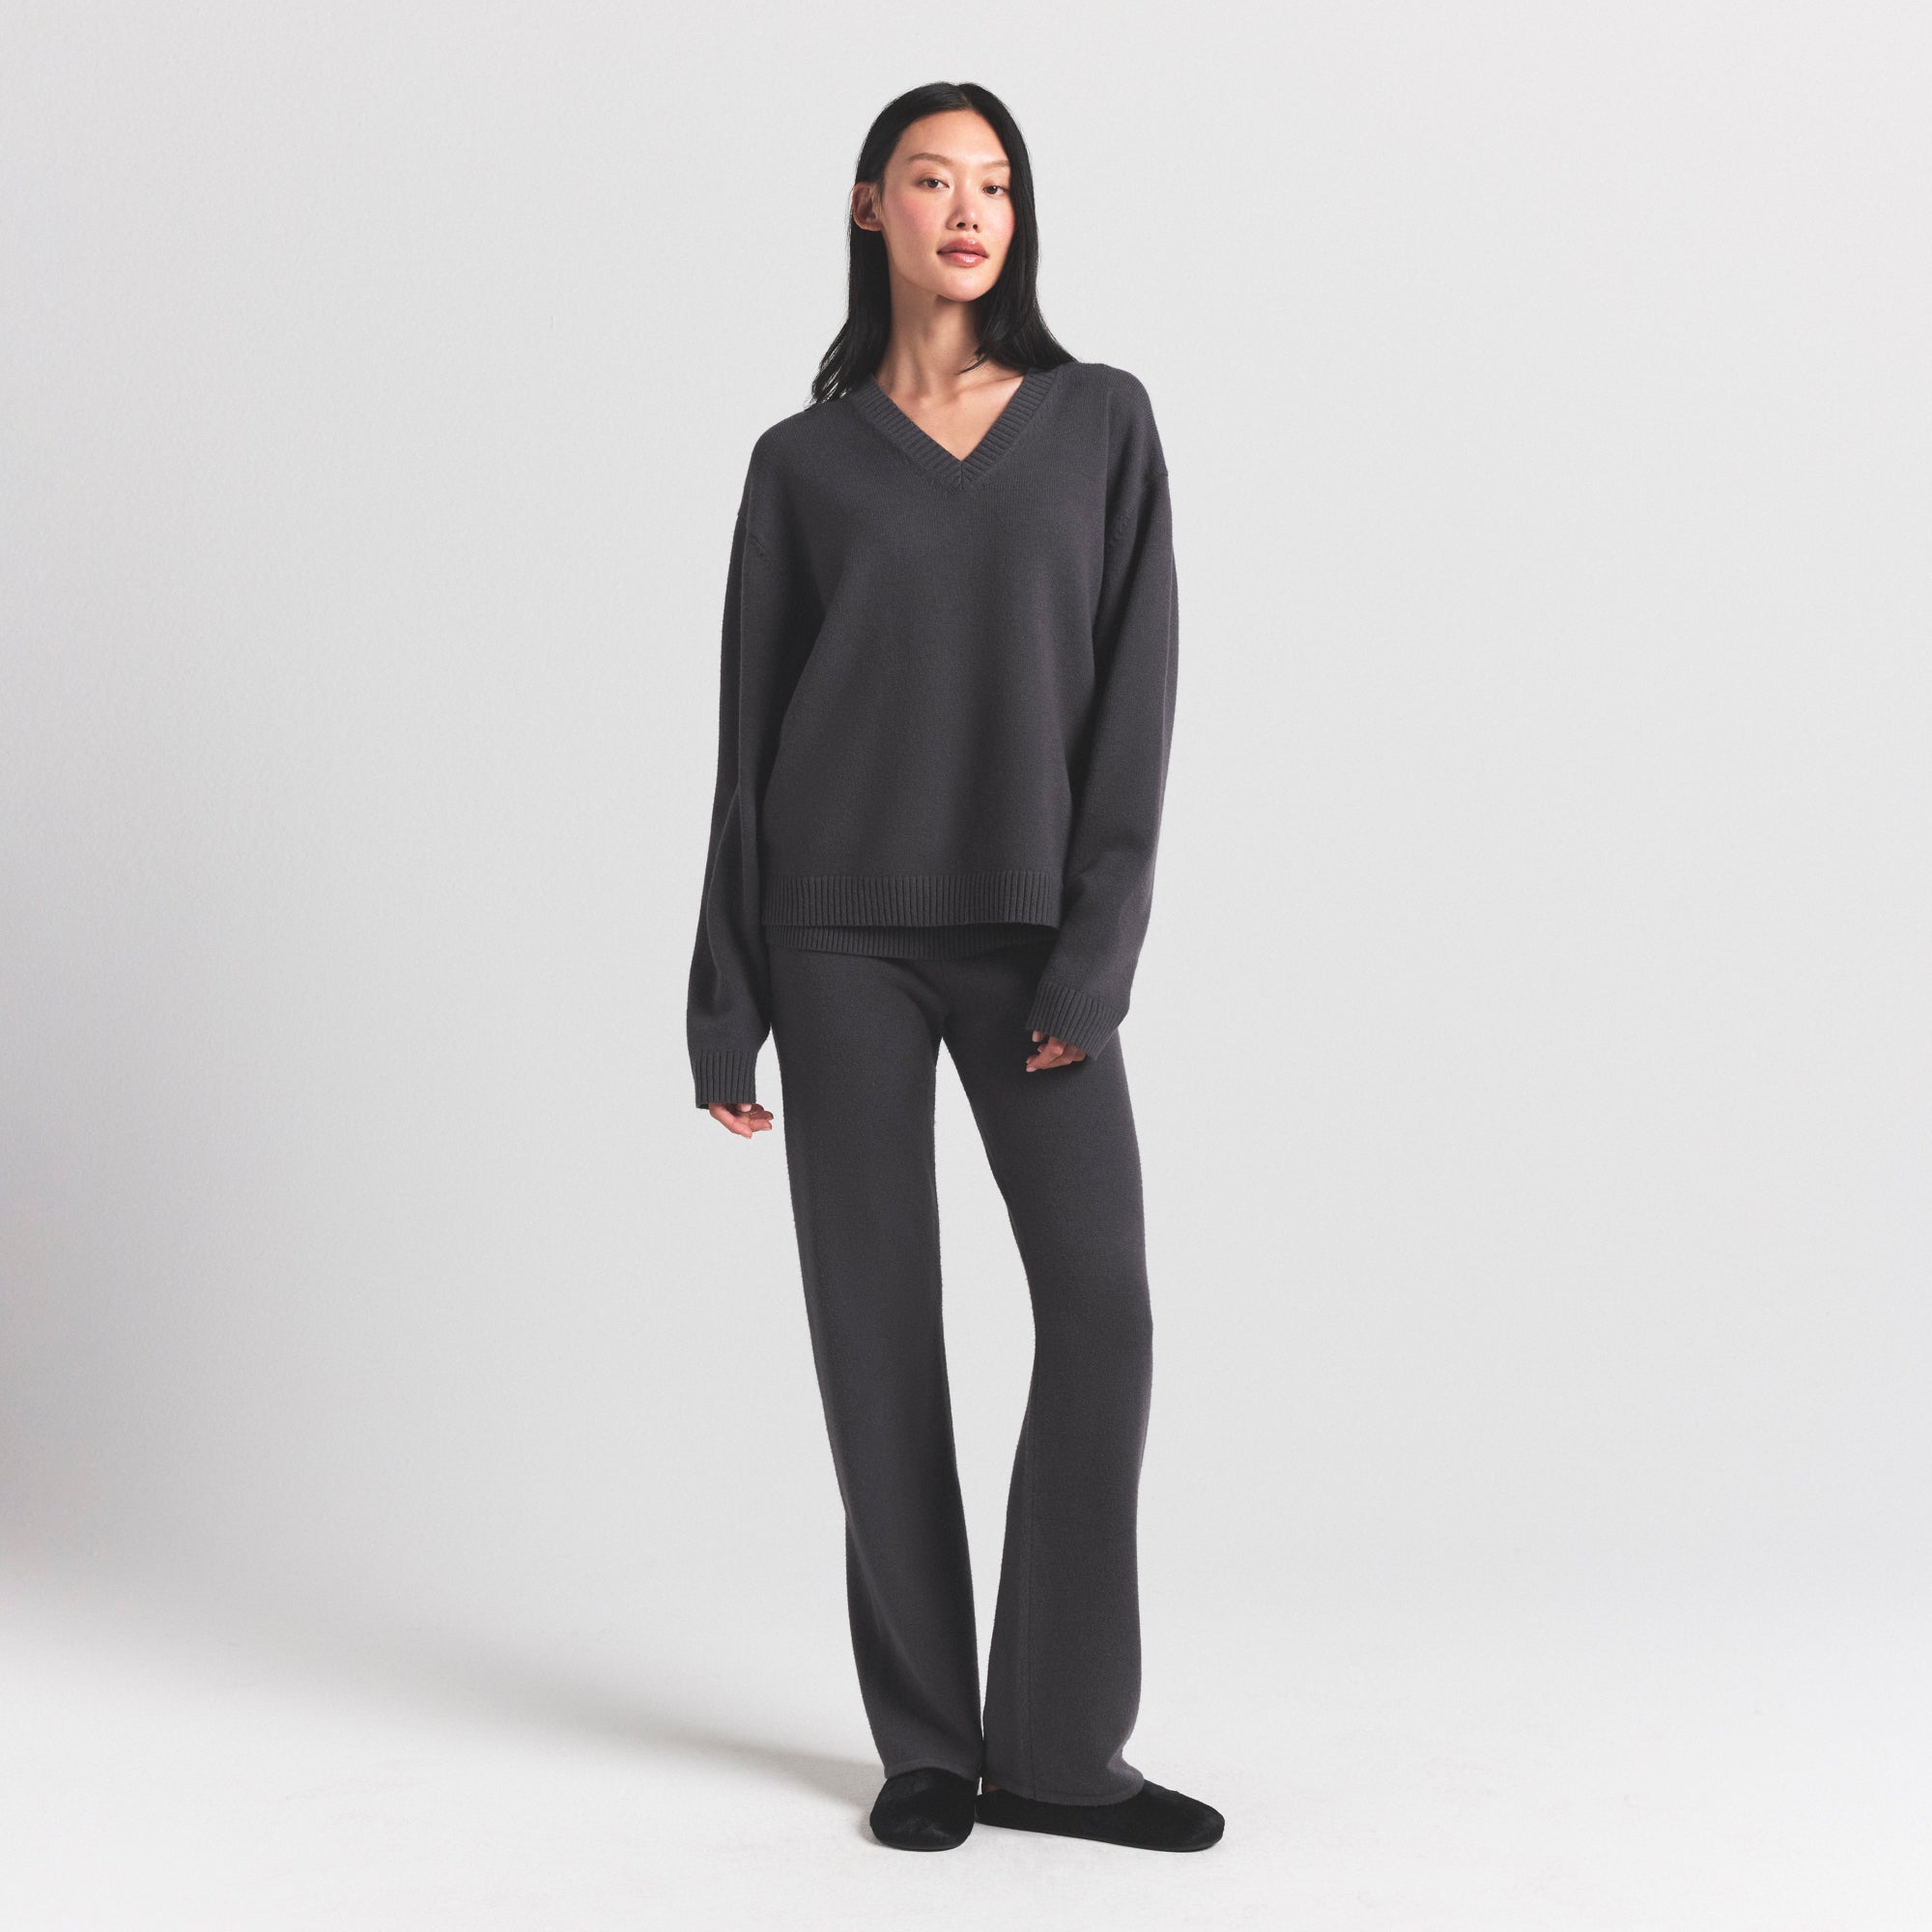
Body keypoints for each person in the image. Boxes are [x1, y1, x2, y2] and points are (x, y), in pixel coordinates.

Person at [684, 80, 1221, 1856]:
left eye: (995, 182)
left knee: (1103, 1310)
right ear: (872, 209)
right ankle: (927, 1745)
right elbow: (748, 743)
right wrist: (726, 998)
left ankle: (1059, 1748)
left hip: (1031, 942)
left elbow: (1135, 704)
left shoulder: (1099, 421)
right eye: (932, 179)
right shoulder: (803, 463)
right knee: (876, 1333)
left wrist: (1095, 960)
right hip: (835, 936)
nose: (969, 210)